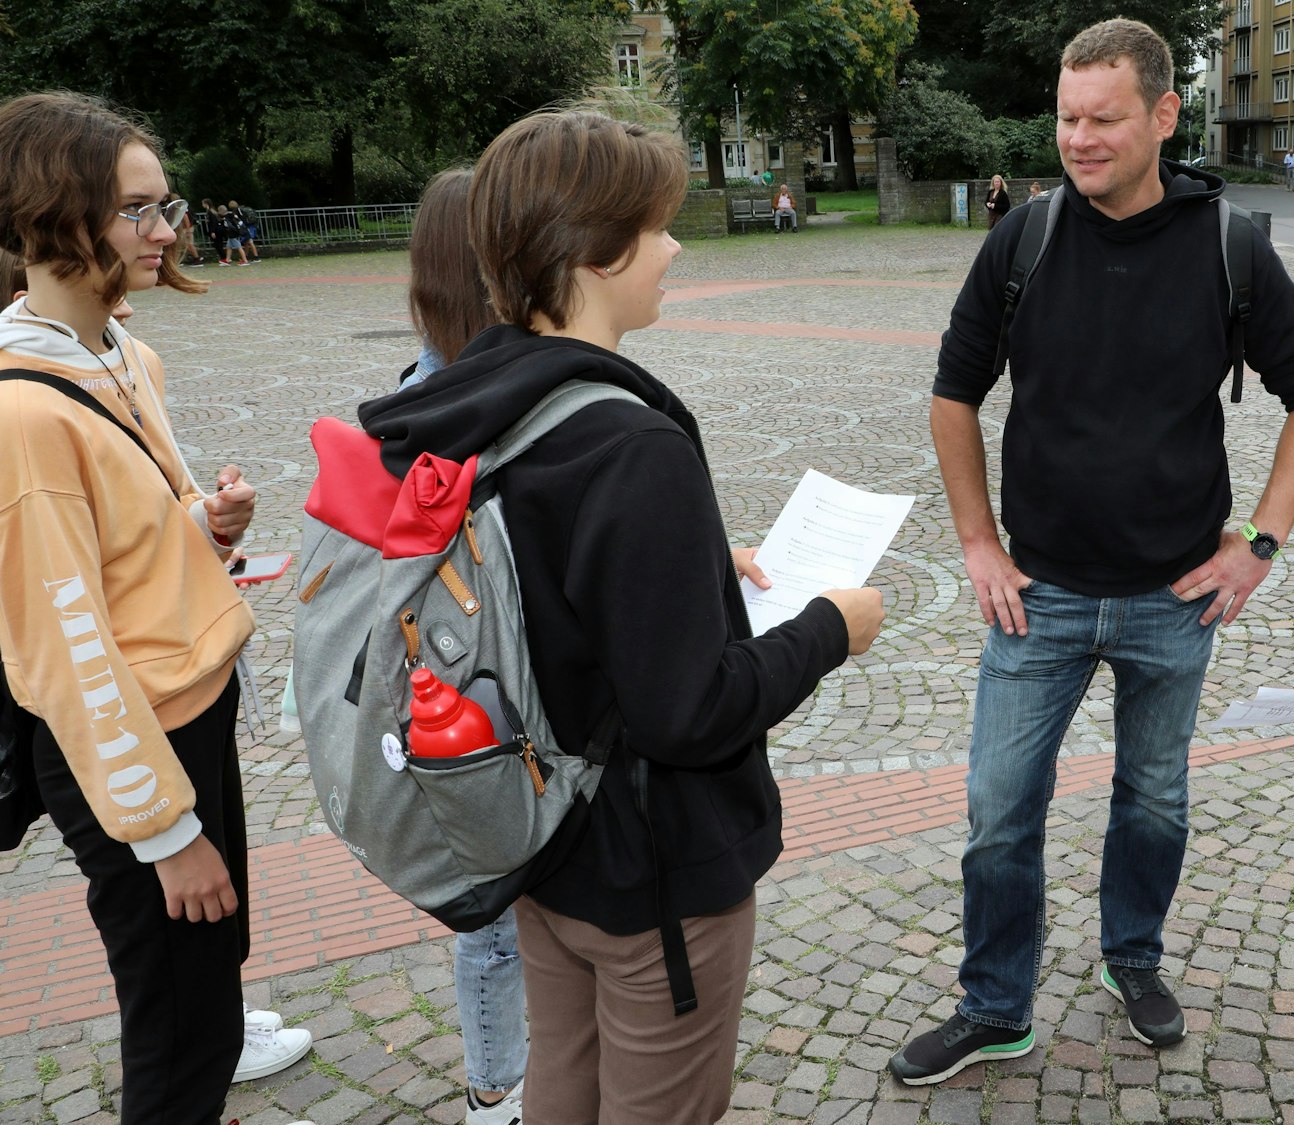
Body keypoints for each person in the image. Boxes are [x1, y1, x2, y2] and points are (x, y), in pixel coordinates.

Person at [355, 109, 883, 1125]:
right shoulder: (628, 445)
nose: (676, 246)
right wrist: (829, 628)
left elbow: (537, 578)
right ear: (595, 253)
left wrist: (687, 568)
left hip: (539, 842)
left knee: (562, 1082)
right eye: (656, 225)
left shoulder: (471, 399)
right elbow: (688, 713)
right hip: (653, 875)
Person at [890, 17, 1294, 1085]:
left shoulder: (1229, 246)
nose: (1078, 139)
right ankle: (994, 1005)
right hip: (1036, 594)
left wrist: (1257, 545)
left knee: (1154, 800)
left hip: (1172, 597)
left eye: (1102, 118)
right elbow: (954, 395)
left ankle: (1130, 957)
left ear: (1161, 116)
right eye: (1065, 118)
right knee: (998, 811)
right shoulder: (1024, 238)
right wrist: (975, 543)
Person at [0, 91, 316, 1125]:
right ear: (55, 214)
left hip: (196, 703)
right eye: (138, 211)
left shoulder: (125, 356)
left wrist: (204, 526)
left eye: (163, 204)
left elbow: (130, 547)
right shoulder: (21, 414)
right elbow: (63, 644)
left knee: (211, 981)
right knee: (181, 1034)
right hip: (131, 745)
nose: (167, 231)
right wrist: (162, 829)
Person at [383, 167, 526, 1125]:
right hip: (477, 686)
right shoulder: (460, 403)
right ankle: (495, 1087)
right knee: (495, 909)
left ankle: (506, 1076)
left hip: (456, 679)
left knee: (502, 904)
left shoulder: (417, 386)